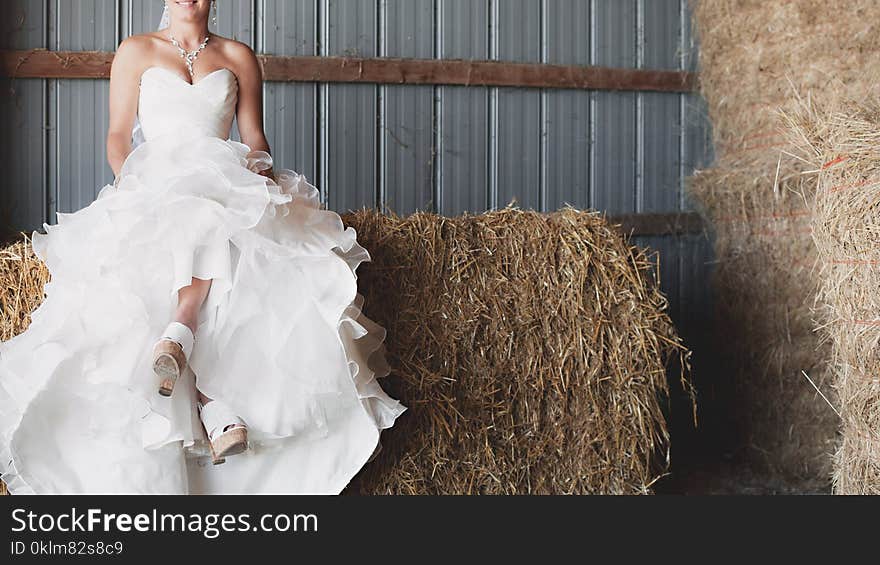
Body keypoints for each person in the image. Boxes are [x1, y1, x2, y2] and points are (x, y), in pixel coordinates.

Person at [0, 0, 406, 494]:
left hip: (224, 186)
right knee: (190, 214)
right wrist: (139, 185)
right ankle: (210, 399)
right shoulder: (135, 51)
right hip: (155, 185)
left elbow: (255, 139)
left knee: (219, 216)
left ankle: (185, 337)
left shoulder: (238, 56)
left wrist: (255, 174)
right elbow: (117, 136)